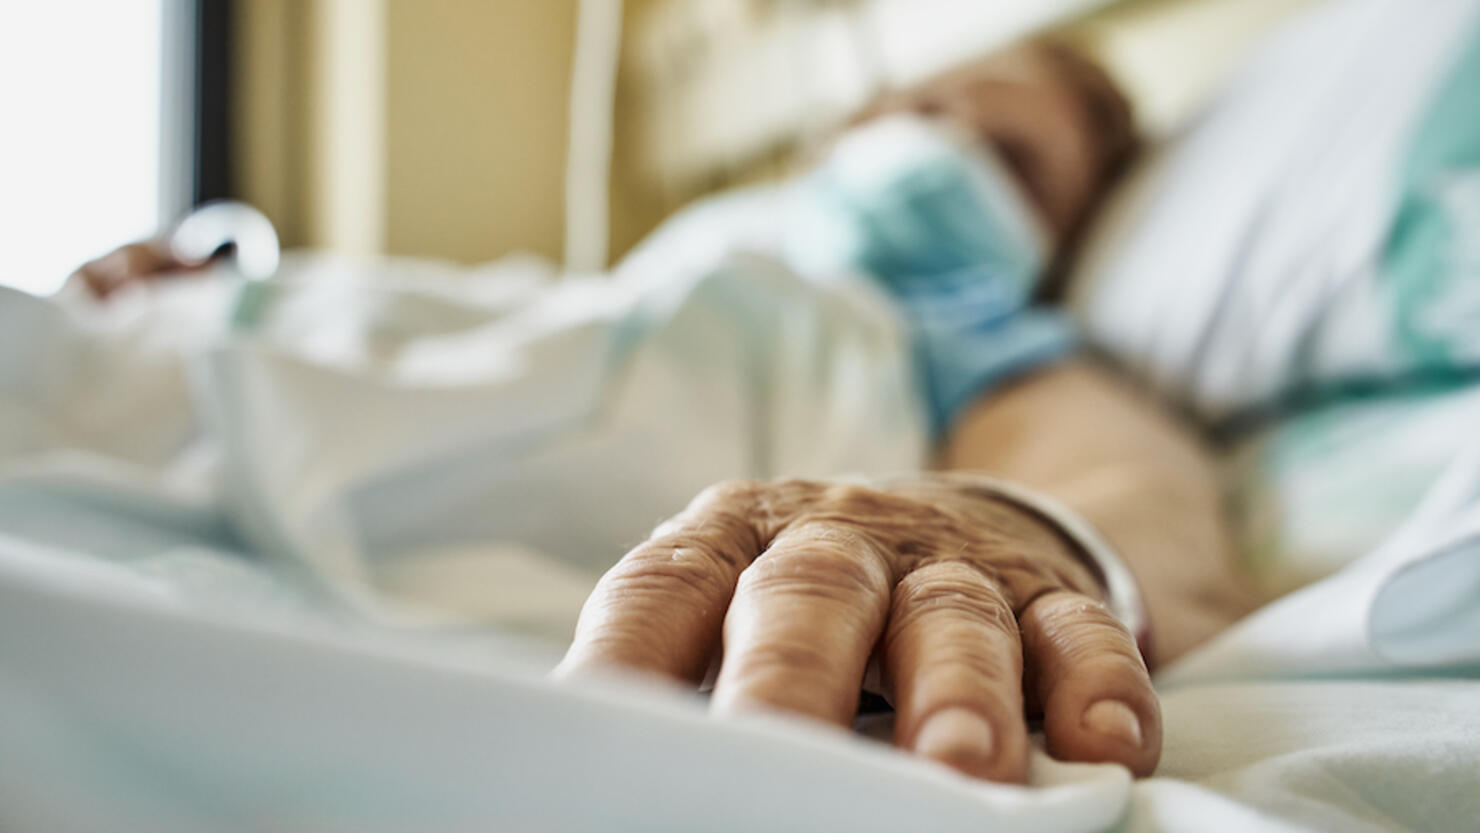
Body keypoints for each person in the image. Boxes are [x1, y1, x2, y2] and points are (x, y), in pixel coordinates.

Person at [68, 41, 1258, 785]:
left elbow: (1132, 495)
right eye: (922, 104)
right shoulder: (657, 271)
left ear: (1058, 243)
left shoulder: (961, 331)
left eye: (1008, 155)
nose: (934, 141)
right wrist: (233, 294)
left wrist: (990, 532)